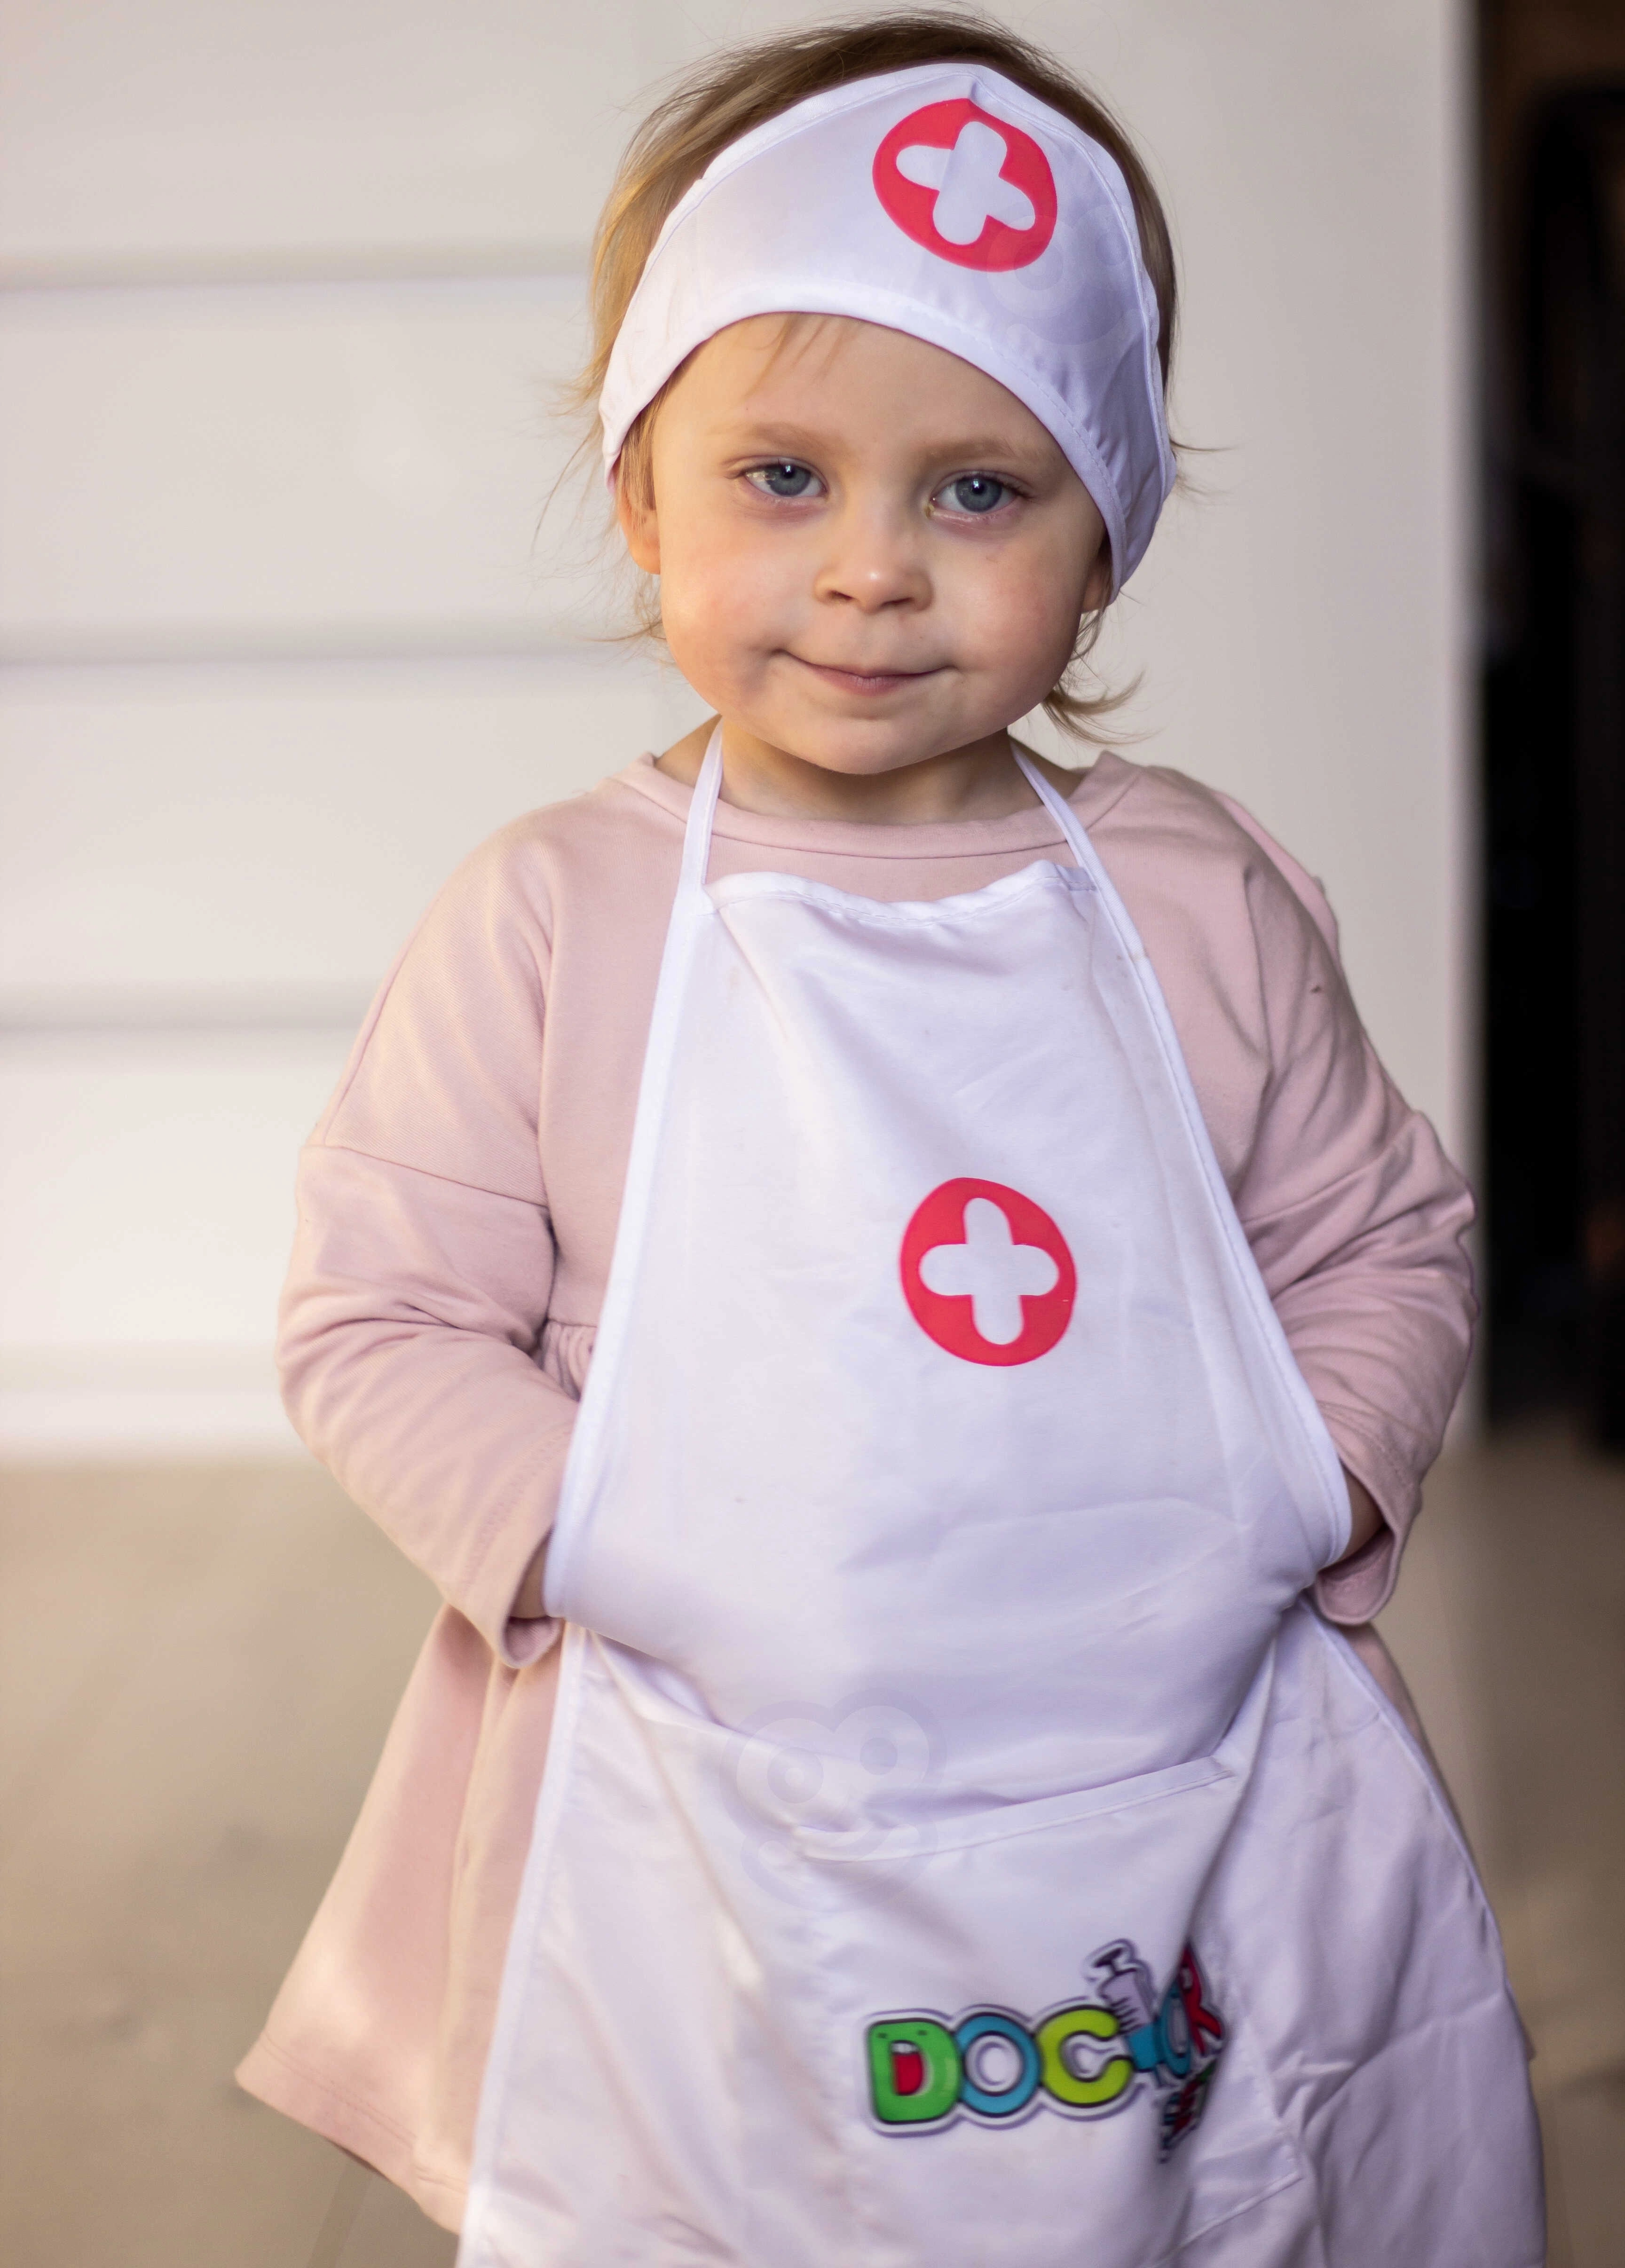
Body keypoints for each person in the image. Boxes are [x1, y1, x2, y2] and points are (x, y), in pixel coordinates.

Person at [238, 14, 1543, 2262]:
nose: (870, 569)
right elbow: (382, 1318)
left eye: (978, 490)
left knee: (1203, 2193)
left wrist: (1298, 1495)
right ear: (640, 494)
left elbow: (1382, 1243)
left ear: (1107, 534)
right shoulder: (552, 918)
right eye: (782, 477)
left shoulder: (1199, 900)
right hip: (703, 1770)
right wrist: (618, 1548)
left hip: (1169, 1756)